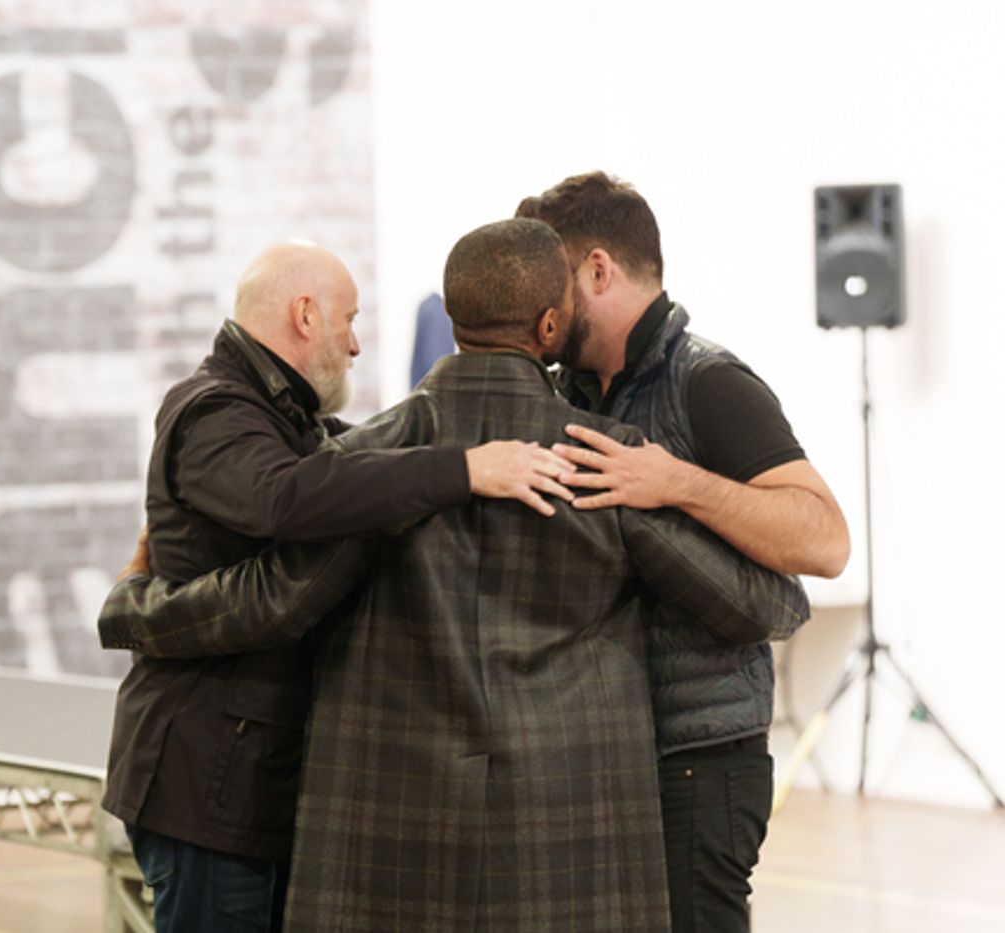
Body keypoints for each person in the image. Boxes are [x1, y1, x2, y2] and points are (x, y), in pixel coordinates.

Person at [101, 219, 811, 933]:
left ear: (449, 315)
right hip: (571, 833)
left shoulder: (368, 464)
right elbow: (765, 605)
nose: (354, 342)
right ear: (550, 325)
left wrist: (137, 607)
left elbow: (270, 602)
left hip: (397, 840)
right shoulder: (604, 461)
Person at [102, 239, 576, 933]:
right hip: (206, 786)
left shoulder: (286, 416)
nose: (355, 344)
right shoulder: (216, 411)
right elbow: (289, 497)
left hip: (248, 783)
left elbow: (359, 464)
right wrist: (464, 469)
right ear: (304, 315)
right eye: (349, 321)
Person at [515, 171, 851, 933]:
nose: (542, 307)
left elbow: (826, 539)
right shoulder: (568, 392)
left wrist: (676, 482)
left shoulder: (710, 381)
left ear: (598, 270)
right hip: (614, 754)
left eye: (551, 281)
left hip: (704, 758)